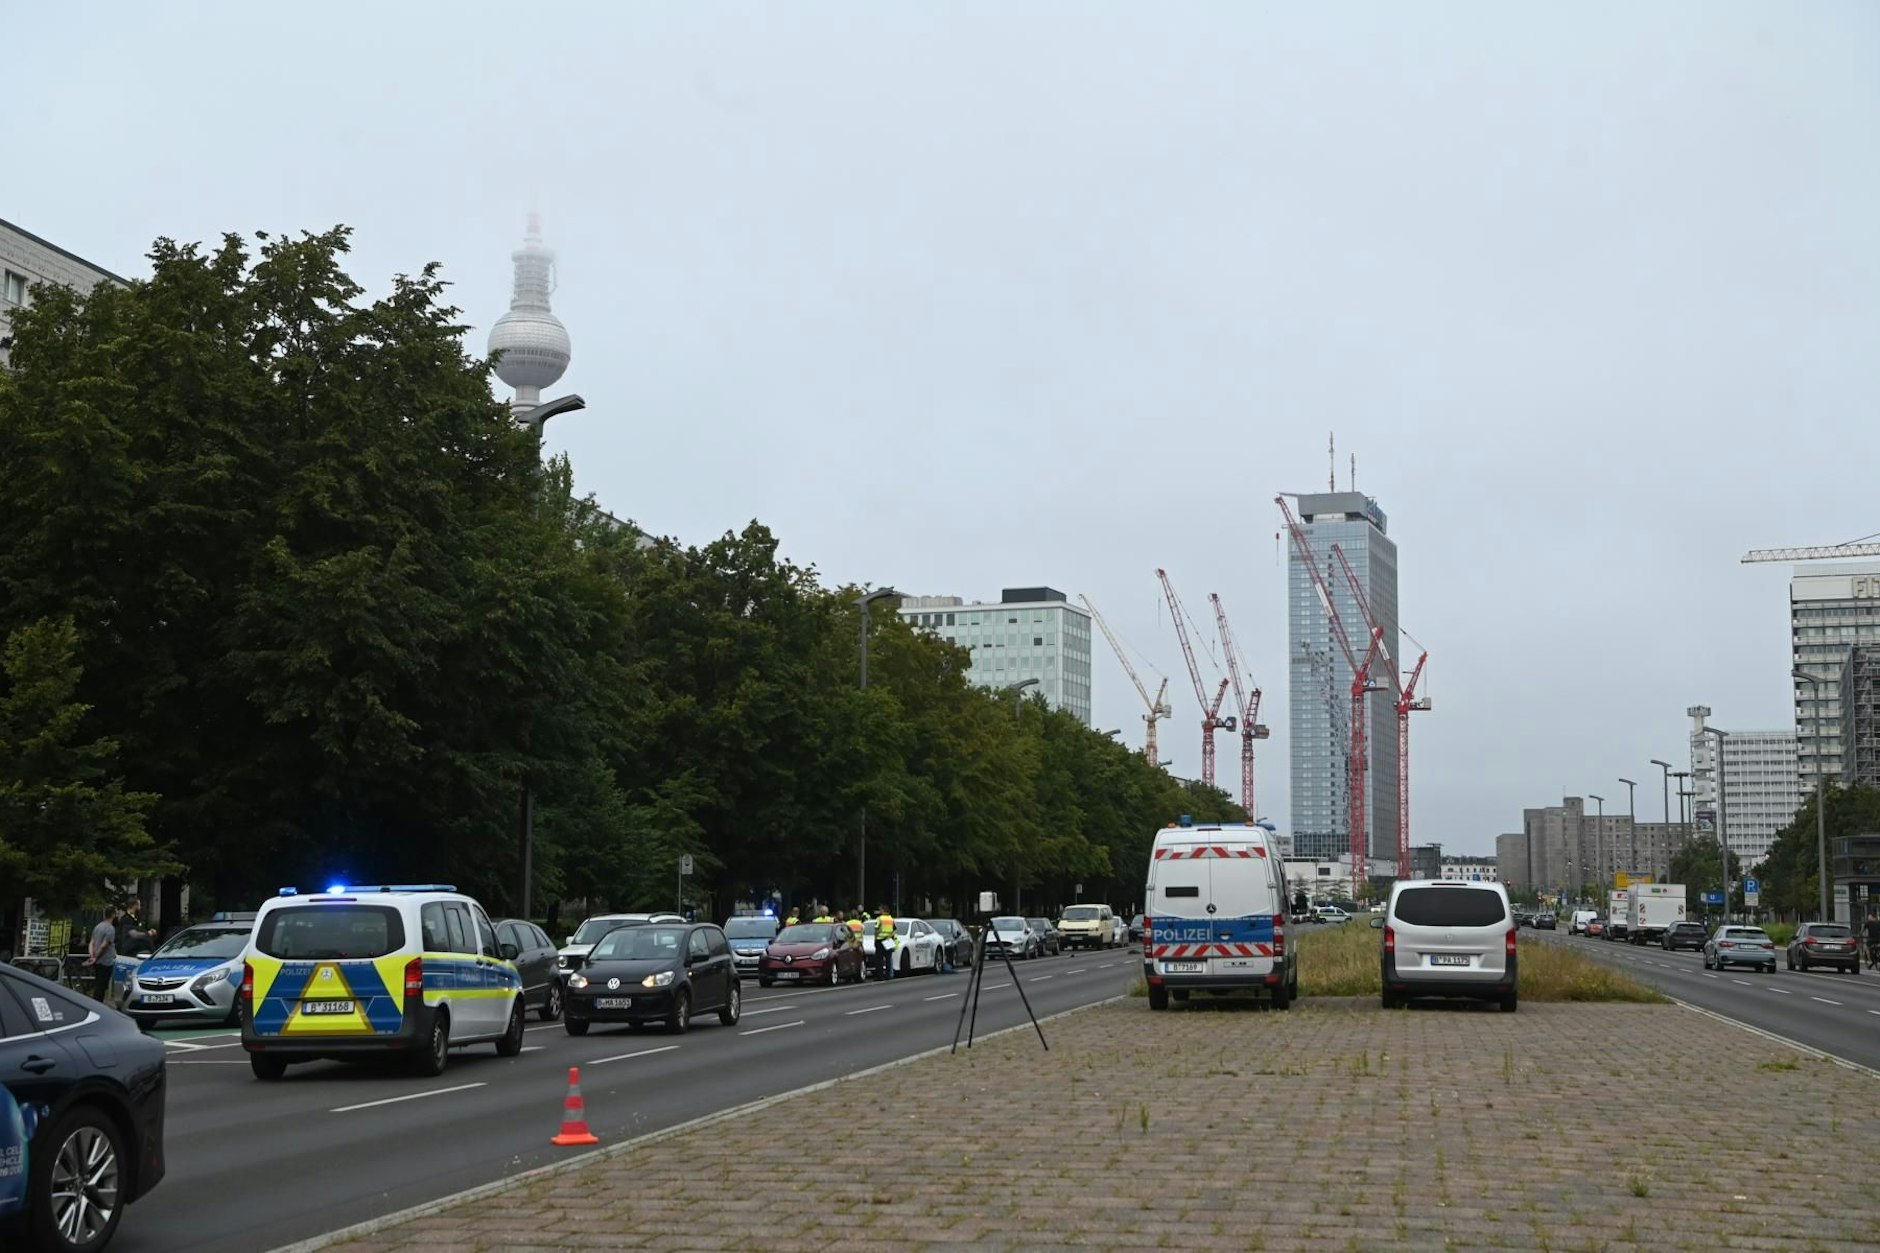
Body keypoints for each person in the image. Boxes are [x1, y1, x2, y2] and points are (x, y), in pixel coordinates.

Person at [87, 906, 119, 1002]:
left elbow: (91, 942)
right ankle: (98, 1005)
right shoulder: (110, 929)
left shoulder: (98, 926)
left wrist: (92, 955)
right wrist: (96, 957)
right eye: (116, 913)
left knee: (98, 984)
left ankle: (96, 1002)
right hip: (106, 961)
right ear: (113, 914)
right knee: (101, 986)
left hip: (97, 962)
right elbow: (104, 945)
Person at [874, 910, 897, 981]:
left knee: (879, 960)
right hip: (888, 940)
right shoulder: (891, 919)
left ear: (883, 911)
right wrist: (889, 936)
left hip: (880, 940)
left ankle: (880, 976)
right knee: (888, 959)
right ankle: (888, 975)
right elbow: (895, 930)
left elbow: (876, 929)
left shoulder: (879, 919)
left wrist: (875, 938)